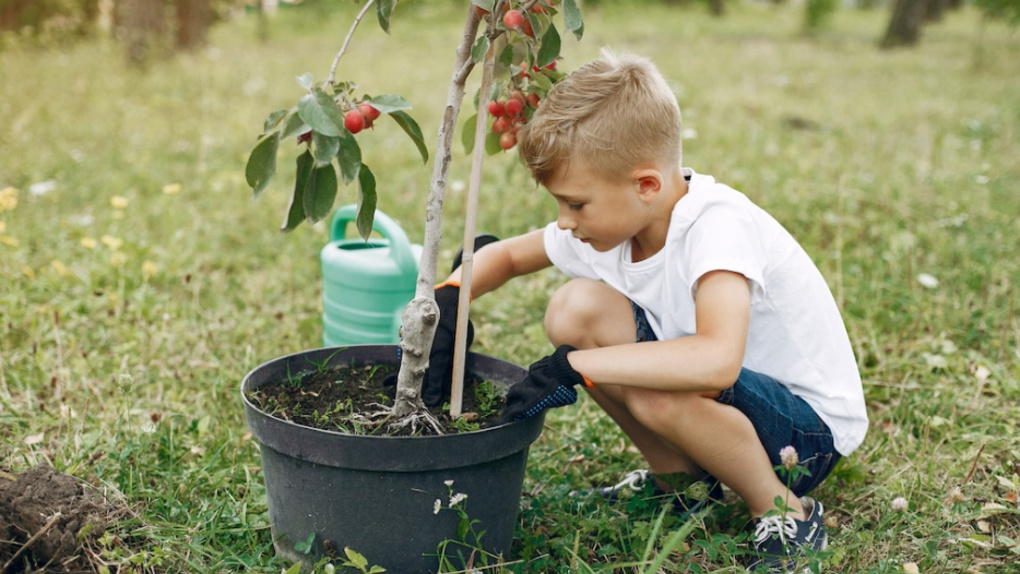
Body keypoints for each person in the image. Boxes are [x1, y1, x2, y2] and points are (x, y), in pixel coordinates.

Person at [424, 49, 868, 573]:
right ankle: (681, 485)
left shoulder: (716, 228)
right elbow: (512, 254)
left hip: (803, 435)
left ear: (647, 185)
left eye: (576, 204)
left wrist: (575, 367)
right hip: (726, 408)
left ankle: (785, 511)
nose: (564, 222)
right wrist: (452, 296)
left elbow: (716, 362)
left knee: (653, 386)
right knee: (575, 309)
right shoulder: (618, 223)